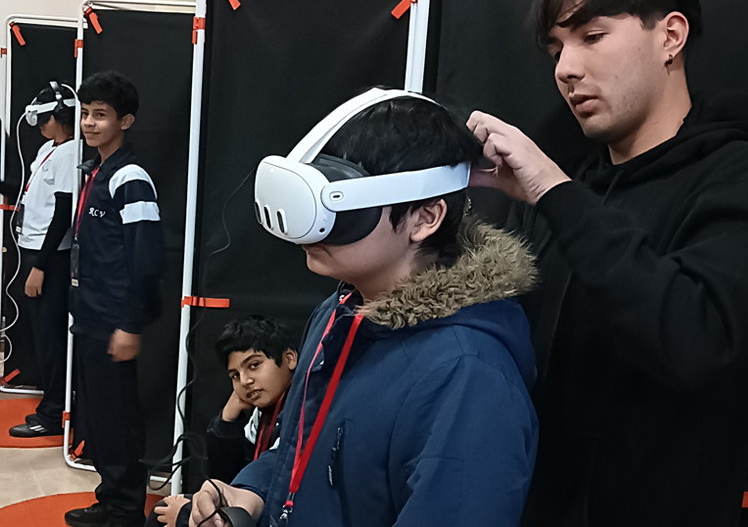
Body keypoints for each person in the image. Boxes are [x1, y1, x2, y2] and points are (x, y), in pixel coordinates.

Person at [466, 0, 748, 527]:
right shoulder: (565, 194)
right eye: (556, 49)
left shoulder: (741, 181)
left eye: (592, 36)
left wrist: (555, 191)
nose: (566, 69)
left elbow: (695, 342)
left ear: (670, 37)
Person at [188, 91, 539, 527]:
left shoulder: (468, 376)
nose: (312, 226)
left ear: (425, 217)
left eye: (339, 201)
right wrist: (254, 492)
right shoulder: (339, 313)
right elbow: (304, 452)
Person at [65, 71, 163, 527]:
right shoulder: (97, 171)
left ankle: (125, 511)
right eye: (85, 113)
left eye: (100, 115)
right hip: (89, 315)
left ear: (125, 121)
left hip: (114, 321)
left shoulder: (131, 178)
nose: (89, 123)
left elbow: (144, 257)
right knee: (99, 417)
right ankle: (110, 497)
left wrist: (130, 323)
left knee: (118, 418)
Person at [146, 315, 297, 527]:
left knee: (168, 514)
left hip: (285, 512)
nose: (245, 381)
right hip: (252, 503)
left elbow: (276, 486)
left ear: (290, 358)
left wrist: (185, 516)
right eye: (235, 375)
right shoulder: (261, 414)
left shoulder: (305, 411)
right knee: (162, 510)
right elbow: (225, 479)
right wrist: (227, 420)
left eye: (254, 365)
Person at [5, 82, 76, 437]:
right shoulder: (49, 148)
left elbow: (62, 215)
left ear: (59, 117)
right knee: (40, 335)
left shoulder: (70, 153)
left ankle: (53, 415)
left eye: (45, 120)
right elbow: (26, 192)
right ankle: (50, 401)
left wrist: (40, 267)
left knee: (51, 338)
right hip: (32, 248)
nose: (40, 127)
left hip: (50, 257)